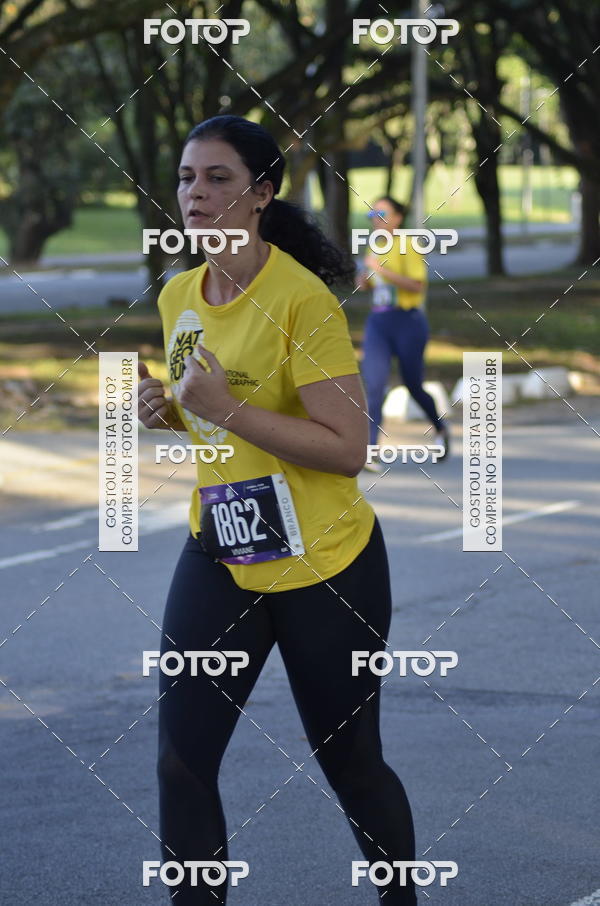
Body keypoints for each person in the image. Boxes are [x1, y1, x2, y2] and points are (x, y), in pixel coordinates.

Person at [137, 115, 418, 906]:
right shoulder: (178, 296)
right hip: (222, 548)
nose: (197, 193)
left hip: (328, 564)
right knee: (179, 762)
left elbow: (346, 447)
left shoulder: (302, 303)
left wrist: (223, 409)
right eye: (188, 178)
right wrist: (173, 408)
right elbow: (216, 407)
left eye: (219, 179)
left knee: (351, 763)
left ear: (261, 195)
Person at [356, 196, 450, 469]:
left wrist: (381, 269)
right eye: (372, 213)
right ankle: (371, 449)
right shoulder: (373, 247)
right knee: (374, 384)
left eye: (382, 212)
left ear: (397, 218)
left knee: (413, 384)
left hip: (408, 322)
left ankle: (440, 428)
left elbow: (417, 286)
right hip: (379, 322)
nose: (376, 218)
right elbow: (370, 286)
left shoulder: (408, 245)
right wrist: (363, 280)